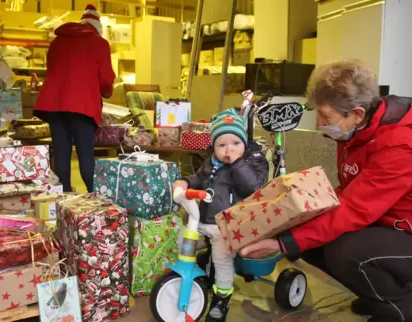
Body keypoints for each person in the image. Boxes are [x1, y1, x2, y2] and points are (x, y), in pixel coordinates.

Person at [240, 60, 412, 322]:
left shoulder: (398, 146)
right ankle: (377, 294)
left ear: (356, 113)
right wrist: (293, 216)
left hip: (404, 227)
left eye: (326, 116)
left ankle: (400, 309)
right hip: (386, 220)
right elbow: (351, 191)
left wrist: (282, 242)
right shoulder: (358, 130)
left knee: (345, 253)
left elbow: (355, 209)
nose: (320, 123)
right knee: (308, 239)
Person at [174, 109, 269, 322]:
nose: (229, 150)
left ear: (244, 144)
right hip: (204, 220)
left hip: (229, 226)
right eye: (222, 145)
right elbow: (200, 178)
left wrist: (237, 163)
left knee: (222, 258)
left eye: (235, 143)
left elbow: (252, 187)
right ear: (214, 148)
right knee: (182, 239)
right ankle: (191, 275)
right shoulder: (211, 163)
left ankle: (222, 297)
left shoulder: (252, 163)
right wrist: (186, 182)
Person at [34, 4, 115, 192]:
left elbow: (52, 70)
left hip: (54, 105)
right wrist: (106, 91)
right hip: (81, 106)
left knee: (61, 154)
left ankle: (63, 201)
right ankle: (96, 199)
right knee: (85, 155)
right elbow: (105, 79)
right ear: (97, 28)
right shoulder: (99, 44)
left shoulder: (56, 42)